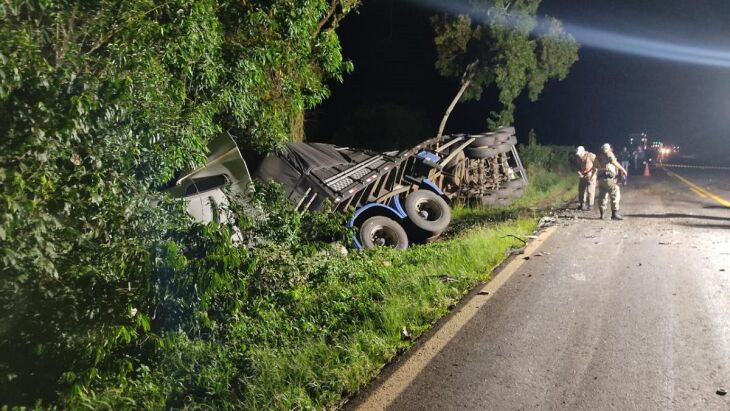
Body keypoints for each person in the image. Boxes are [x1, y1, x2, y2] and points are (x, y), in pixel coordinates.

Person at [594, 143, 627, 220]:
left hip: (601, 178)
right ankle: (614, 215)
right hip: (609, 178)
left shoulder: (599, 156)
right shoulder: (609, 153)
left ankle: (602, 214)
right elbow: (613, 162)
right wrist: (623, 169)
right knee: (615, 193)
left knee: (602, 195)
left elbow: (595, 165)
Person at [574, 146, 597, 211]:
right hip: (583, 175)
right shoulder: (579, 158)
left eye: (579, 153)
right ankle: (582, 204)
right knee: (581, 190)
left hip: (591, 175)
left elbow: (596, 165)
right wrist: (579, 172)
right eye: (578, 154)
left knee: (590, 190)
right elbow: (577, 167)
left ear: (583, 152)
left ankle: (590, 205)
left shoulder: (591, 155)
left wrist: (592, 175)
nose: (579, 155)